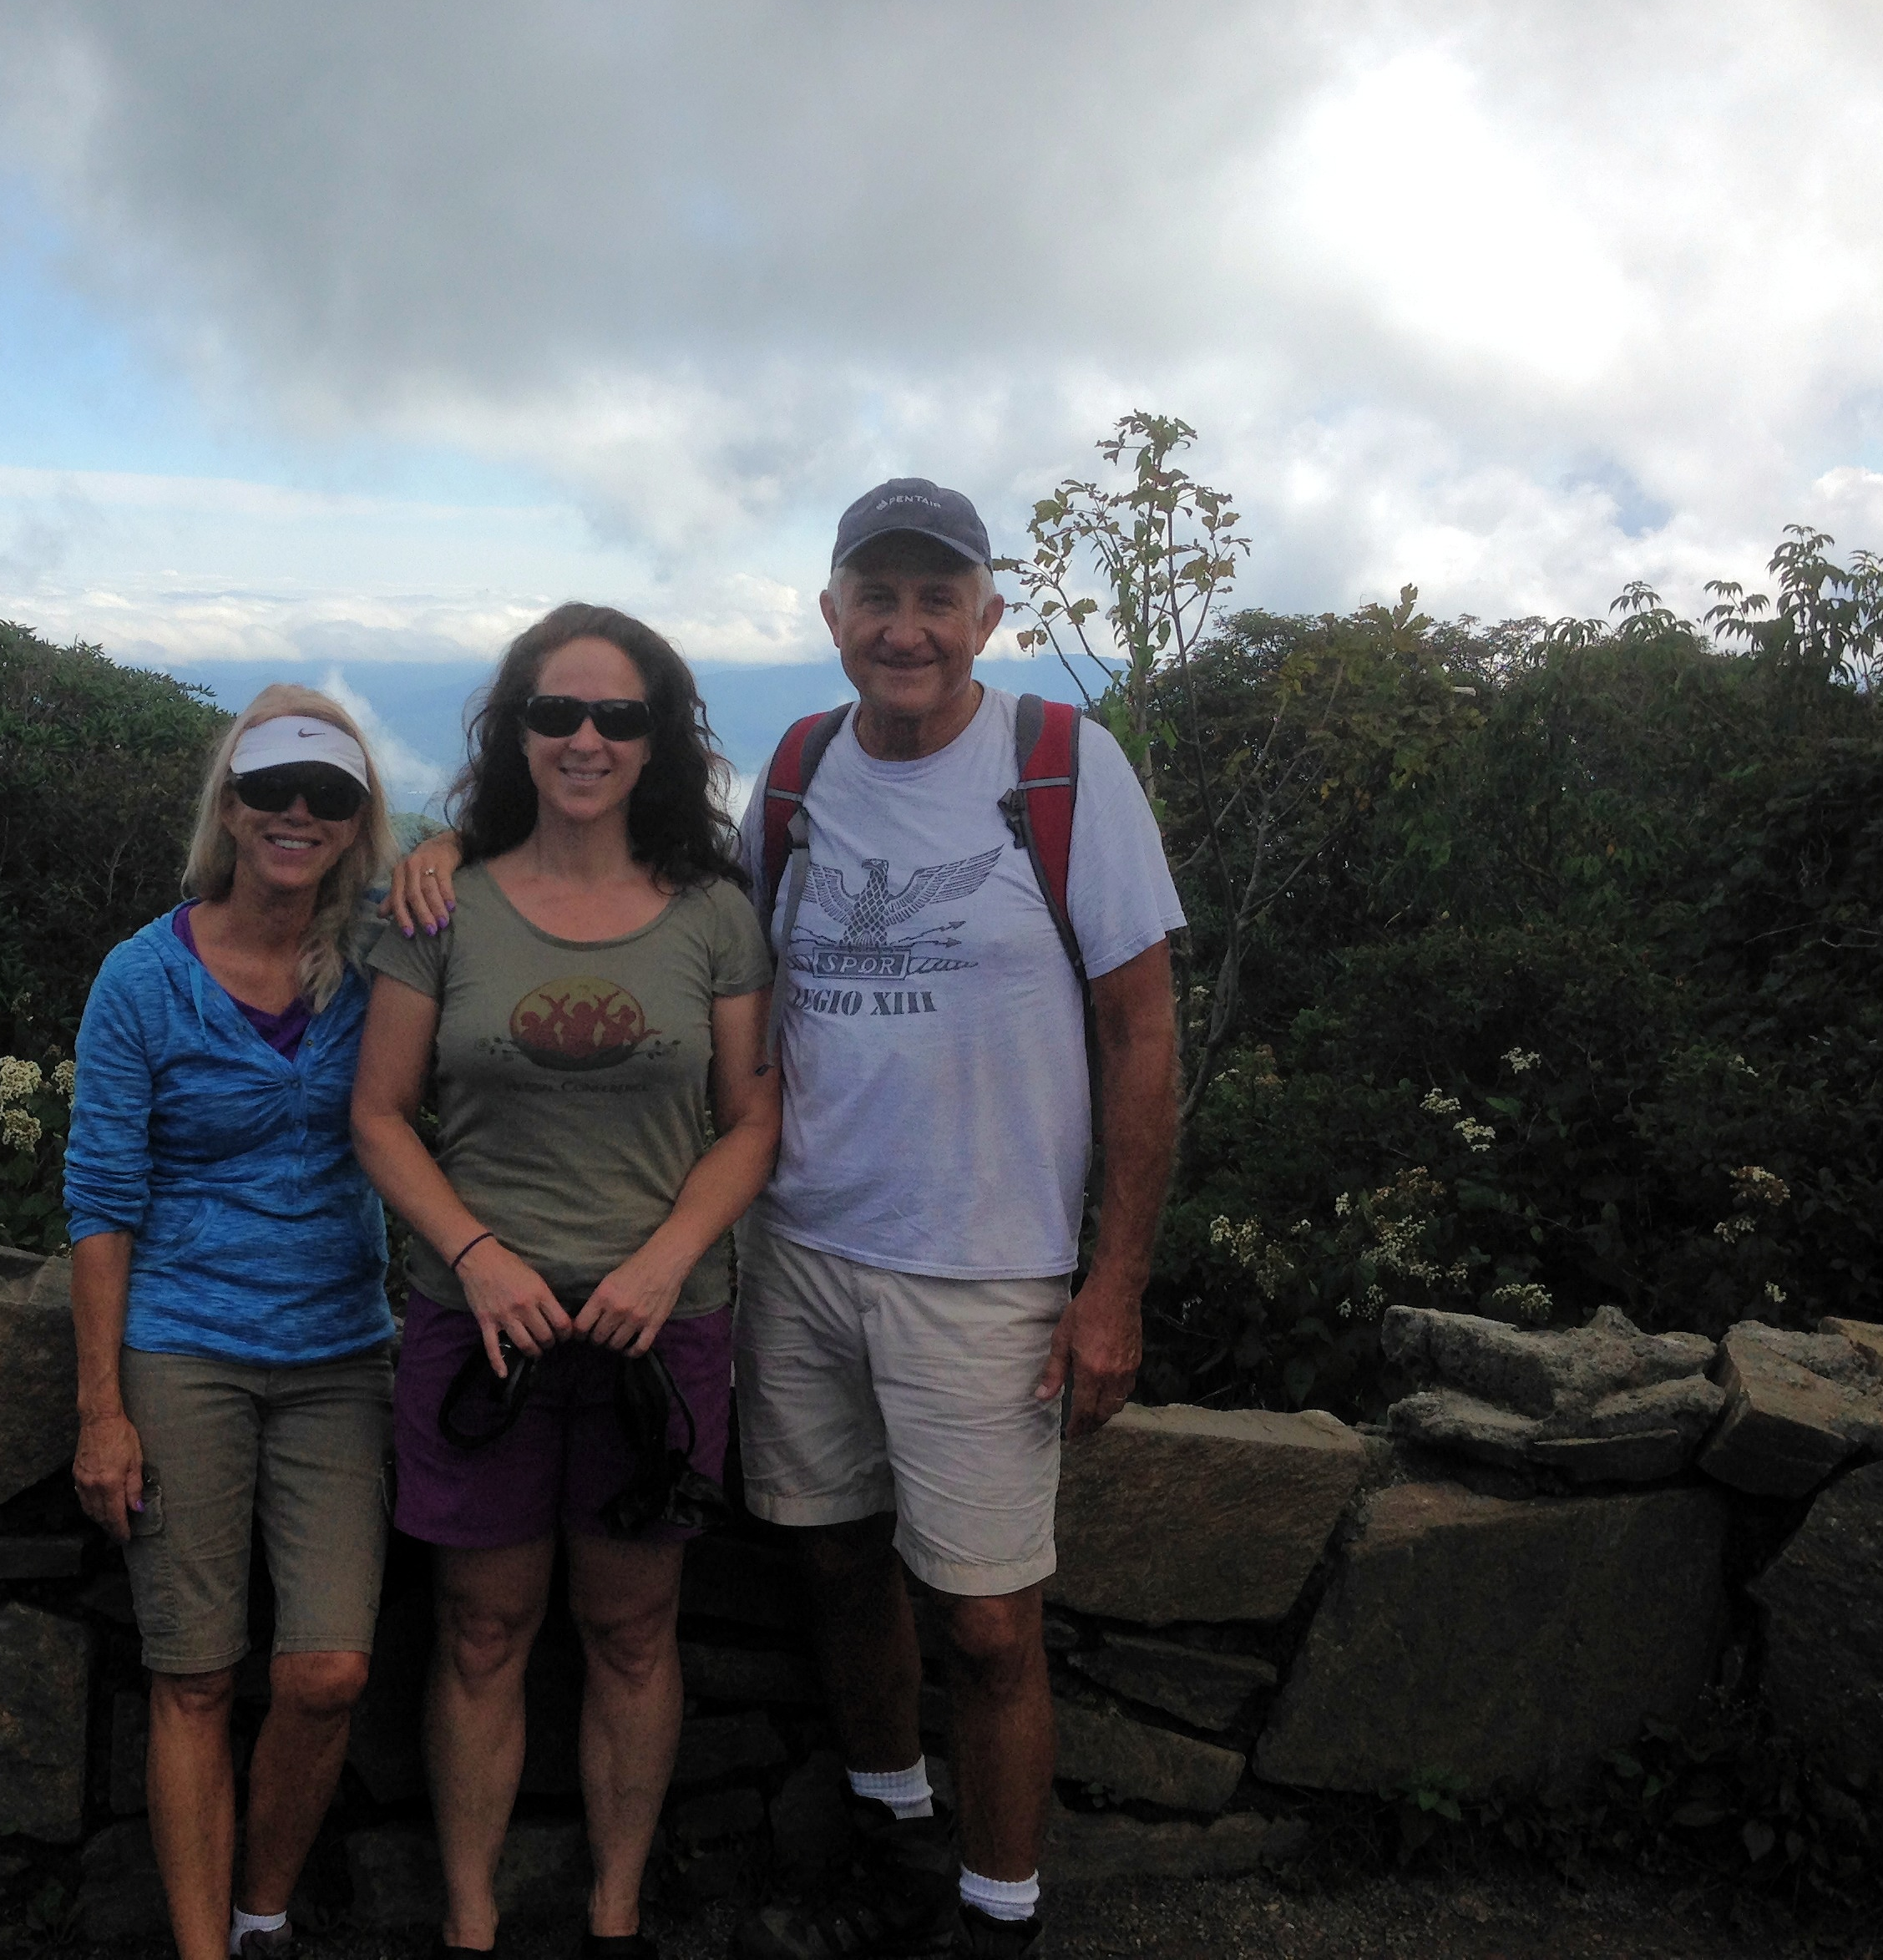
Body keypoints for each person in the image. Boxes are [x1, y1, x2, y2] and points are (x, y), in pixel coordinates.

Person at [390, 480, 1184, 1959]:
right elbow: (693, 942)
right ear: (829, 616)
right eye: (875, 599)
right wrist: (440, 854)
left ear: (988, 616)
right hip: (799, 1250)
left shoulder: (1067, 767)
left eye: (936, 599)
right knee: (829, 1555)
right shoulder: (804, 770)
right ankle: (892, 1829)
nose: (905, 629)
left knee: (993, 1622)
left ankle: (1001, 1912)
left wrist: (1114, 1285)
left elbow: (1142, 1033)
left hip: (990, 1263)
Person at [352, 603, 781, 1960]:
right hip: (477, 1328)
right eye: (556, 714)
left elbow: (754, 1117)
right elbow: (377, 1113)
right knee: (482, 1629)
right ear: (516, 733)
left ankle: (614, 1916)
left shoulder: (715, 914)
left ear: (660, 740)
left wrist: (665, 1263)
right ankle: (471, 1923)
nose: (585, 739)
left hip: (662, 1331)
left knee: (633, 1626)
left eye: (617, 717)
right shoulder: (443, 904)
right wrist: (475, 1260)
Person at [66, 686, 400, 1960]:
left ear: (359, 820)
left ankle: (264, 1914)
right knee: (195, 1675)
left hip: (337, 1355)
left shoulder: (379, 958)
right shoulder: (144, 977)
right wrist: (101, 1409)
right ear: (231, 802)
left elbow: (519, 880)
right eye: (274, 789)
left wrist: (450, 850)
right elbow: (101, 1197)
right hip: (183, 1350)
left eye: (331, 796)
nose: (298, 815)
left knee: (327, 1673)